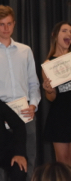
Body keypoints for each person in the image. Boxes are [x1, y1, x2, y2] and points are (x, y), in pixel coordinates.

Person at [0, 5, 40, 180]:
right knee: (0, 161)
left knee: (29, 158)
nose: (6, 28)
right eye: (2, 24)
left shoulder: (25, 50)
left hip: (25, 112)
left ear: (14, 24)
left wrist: (33, 104)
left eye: (9, 24)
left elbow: (33, 82)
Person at [41, 21, 71, 165]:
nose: (69, 34)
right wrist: (49, 90)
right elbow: (51, 98)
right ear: (54, 35)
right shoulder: (48, 64)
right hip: (60, 116)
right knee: (63, 163)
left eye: (70, 32)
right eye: (64, 31)